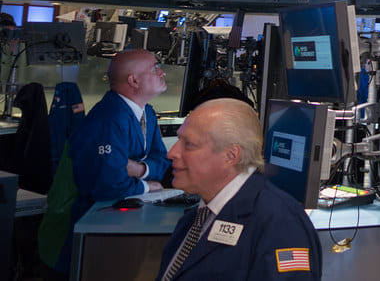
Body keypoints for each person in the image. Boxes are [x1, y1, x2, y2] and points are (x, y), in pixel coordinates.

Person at [157, 98, 322, 280]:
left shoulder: (280, 224)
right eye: (179, 139)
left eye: (189, 144)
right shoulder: (196, 216)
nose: (172, 153)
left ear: (230, 155)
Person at [40, 49, 169, 275]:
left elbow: (161, 161)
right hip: (80, 230)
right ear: (134, 80)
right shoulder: (108, 118)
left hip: (117, 224)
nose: (162, 73)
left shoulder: (146, 113)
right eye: (155, 68)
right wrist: (148, 186)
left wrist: (139, 169)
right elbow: (109, 185)